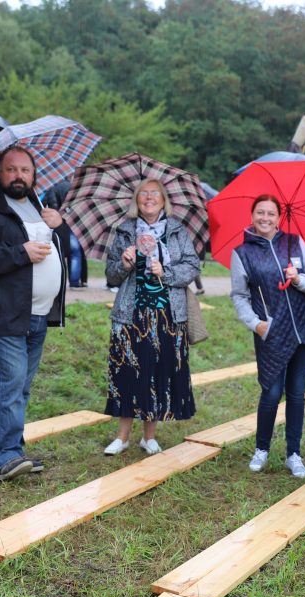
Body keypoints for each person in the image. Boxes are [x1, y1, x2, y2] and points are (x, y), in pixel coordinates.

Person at [0, 146, 67, 481]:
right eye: (11, 169)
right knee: (10, 384)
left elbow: (55, 252)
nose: (19, 175)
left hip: (38, 314)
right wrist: (19, 253)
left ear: (34, 175)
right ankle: (6, 455)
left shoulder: (39, 208)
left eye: (25, 170)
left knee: (21, 387)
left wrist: (59, 226)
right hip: (2, 312)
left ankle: (15, 449)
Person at [230, 194, 305, 478]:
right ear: (252, 216)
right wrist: (256, 324)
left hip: (303, 329)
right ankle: (262, 449)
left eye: (270, 213)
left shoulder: (295, 243)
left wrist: (299, 278)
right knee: (272, 392)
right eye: (260, 213)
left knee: (297, 393)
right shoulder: (242, 253)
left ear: (279, 217)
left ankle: (294, 454)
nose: (265, 218)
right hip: (272, 332)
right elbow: (240, 296)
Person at [103, 178, 200, 456]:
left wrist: (165, 271)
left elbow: (192, 267)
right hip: (130, 312)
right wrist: (123, 264)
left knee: (157, 371)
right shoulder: (124, 230)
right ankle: (121, 437)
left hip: (167, 314)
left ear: (163, 200)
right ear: (136, 200)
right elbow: (110, 274)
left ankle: (149, 436)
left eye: (154, 194)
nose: (148, 198)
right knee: (126, 372)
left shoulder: (177, 230)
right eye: (143, 193)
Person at [42, 180, 86, 289]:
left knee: (55, 252)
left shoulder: (52, 188)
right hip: (72, 223)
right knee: (75, 252)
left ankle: (54, 282)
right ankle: (74, 282)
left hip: (58, 224)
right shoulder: (73, 187)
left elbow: (50, 206)